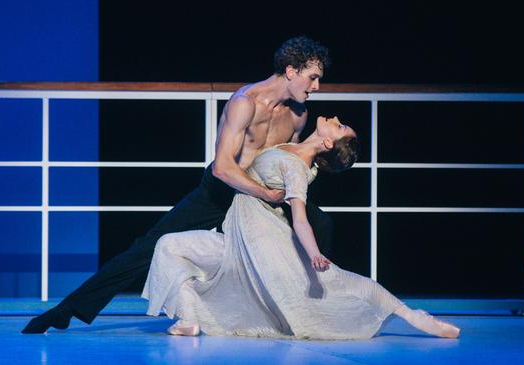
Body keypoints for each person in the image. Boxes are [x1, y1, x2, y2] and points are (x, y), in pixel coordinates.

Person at [22, 36, 334, 334]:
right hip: (222, 191)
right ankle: (65, 311)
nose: (317, 87)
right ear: (291, 71)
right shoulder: (245, 103)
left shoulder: (299, 115)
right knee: (147, 246)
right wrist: (266, 193)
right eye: (313, 77)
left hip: (259, 198)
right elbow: (224, 168)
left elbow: (286, 160)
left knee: (319, 224)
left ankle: (305, 309)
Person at [143, 117, 461, 339]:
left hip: (258, 248)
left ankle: (415, 317)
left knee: (340, 281)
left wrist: (313, 254)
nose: (334, 117)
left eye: (338, 126)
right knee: (169, 246)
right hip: (235, 242)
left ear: (327, 141)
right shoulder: (291, 148)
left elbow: (300, 218)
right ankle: (189, 319)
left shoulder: (297, 168)